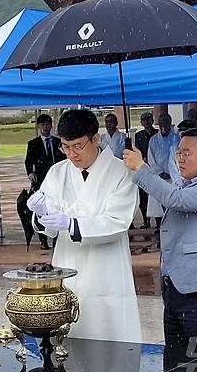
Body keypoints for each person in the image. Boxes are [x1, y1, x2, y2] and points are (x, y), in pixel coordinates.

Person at [26, 109, 141, 342]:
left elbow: (117, 221)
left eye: (78, 146)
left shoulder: (121, 172)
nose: (72, 154)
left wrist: (72, 224)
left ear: (96, 139)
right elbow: (49, 224)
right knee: (68, 334)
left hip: (105, 266)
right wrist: (41, 214)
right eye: (65, 147)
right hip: (68, 261)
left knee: (107, 332)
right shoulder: (57, 172)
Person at [123, 127, 197, 372]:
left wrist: (142, 169)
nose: (180, 158)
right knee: (175, 365)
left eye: (187, 153)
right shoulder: (186, 184)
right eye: (179, 153)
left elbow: (174, 199)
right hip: (176, 289)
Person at [25, 114, 67, 249]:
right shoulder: (33, 143)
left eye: (48, 124)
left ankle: (56, 238)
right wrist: (30, 173)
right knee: (42, 209)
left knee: (58, 207)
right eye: (43, 125)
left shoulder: (58, 141)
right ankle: (43, 239)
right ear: (39, 126)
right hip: (41, 180)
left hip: (58, 180)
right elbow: (28, 161)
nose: (46, 127)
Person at [147, 113, 180, 232]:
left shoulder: (177, 138)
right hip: (159, 176)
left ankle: (173, 225)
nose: (164, 125)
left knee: (172, 202)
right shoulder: (153, 140)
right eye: (161, 123)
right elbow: (151, 158)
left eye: (166, 122)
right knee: (158, 201)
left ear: (170, 123)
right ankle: (159, 225)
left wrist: (172, 172)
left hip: (173, 176)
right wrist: (160, 171)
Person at [134, 112, 158, 228]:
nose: (146, 122)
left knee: (157, 195)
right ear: (141, 122)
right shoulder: (139, 135)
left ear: (152, 121)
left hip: (156, 167)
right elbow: (137, 150)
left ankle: (159, 221)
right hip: (143, 166)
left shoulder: (157, 133)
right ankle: (145, 220)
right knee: (143, 196)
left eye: (148, 120)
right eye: (144, 120)